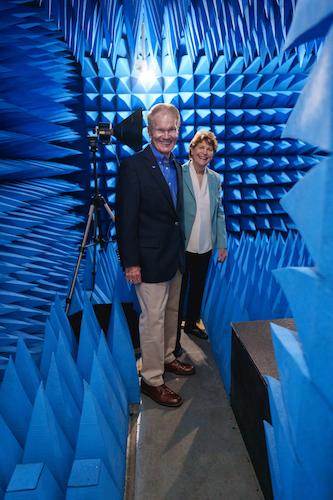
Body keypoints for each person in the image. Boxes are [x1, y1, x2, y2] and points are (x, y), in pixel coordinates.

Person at [116, 103, 195, 408]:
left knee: (172, 314)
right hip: (148, 260)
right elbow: (126, 219)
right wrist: (131, 262)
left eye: (171, 129)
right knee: (152, 320)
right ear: (148, 131)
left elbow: (174, 216)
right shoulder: (133, 166)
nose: (166, 135)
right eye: (159, 129)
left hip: (173, 257)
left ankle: (167, 357)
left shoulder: (175, 163)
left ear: (179, 130)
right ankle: (152, 379)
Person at [175, 130, 227, 356]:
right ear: (192, 149)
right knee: (179, 288)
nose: (205, 152)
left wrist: (222, 244)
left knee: (198, 286)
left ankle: (192, 322)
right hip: (183, 243)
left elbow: (219, 213)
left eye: (209, 149)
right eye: (201, 148)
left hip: (205, 243)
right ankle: (174, 329)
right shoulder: (179, 172)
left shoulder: (215, 178)